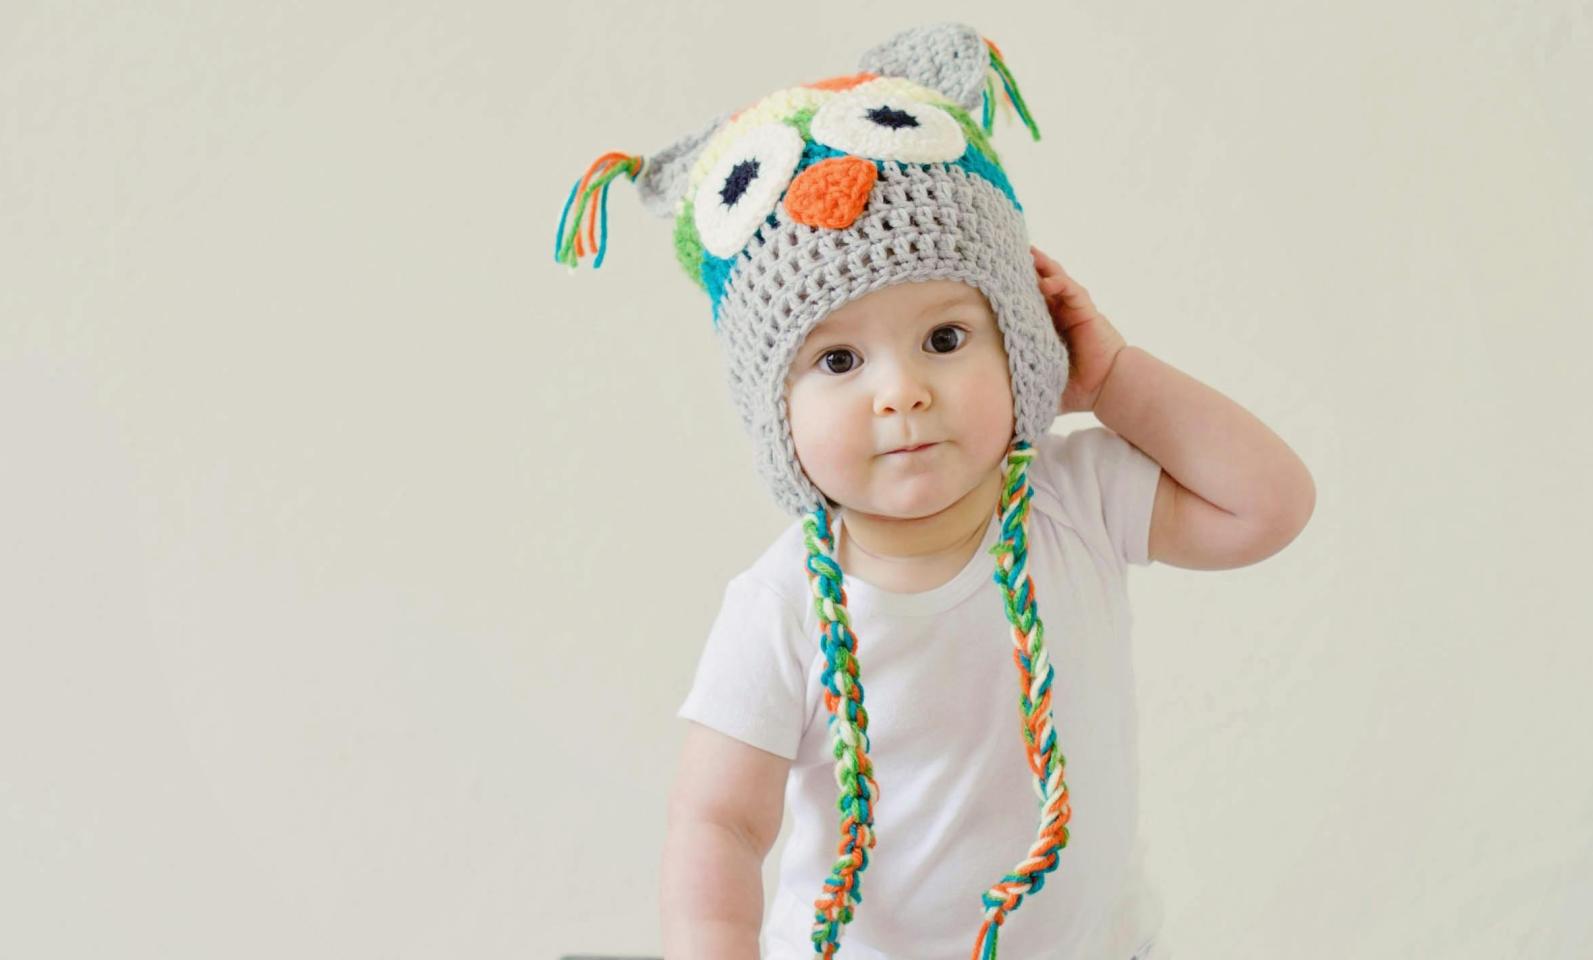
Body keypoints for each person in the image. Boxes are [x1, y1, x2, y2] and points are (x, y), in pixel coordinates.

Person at [552, 21, 1314, 960]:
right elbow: (718, 824)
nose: (900, 390)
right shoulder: (782, 605)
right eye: (837, 358)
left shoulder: (1075, 500)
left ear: (1023, 339)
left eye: (946, 339)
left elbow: (1267, 506)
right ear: (773, 411)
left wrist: (1112, 379)